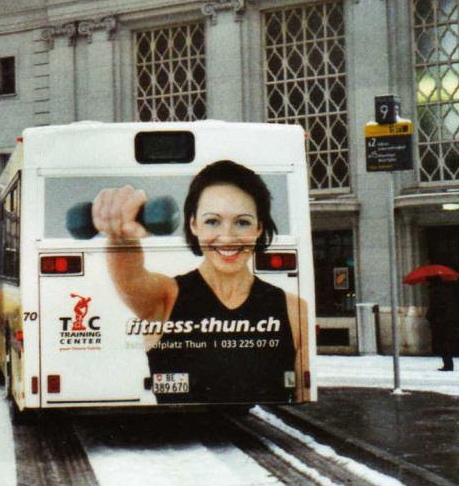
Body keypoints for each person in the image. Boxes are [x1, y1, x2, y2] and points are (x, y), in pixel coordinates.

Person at [91, 160, 308, 404]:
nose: (227, 237)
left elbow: (304, 396)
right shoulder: (165, 296)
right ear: (194, 224)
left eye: (242, 222)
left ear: (259, 228)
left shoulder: (294, 309)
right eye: (212, 221)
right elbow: (130, 276)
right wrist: (121, 236)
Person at [426, 276, 454, 372]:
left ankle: (448, 364)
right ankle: (448, 363)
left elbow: (435, 306)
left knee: (442, 342)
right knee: (443, 342)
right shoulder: (443, 290)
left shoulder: (435, 291)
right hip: (443, 319)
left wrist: (430, 316)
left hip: (439, 320)